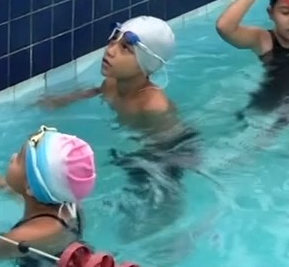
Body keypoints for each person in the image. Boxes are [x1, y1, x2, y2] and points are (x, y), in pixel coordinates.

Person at [33, 17, 201, 214]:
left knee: (152, 202)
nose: (110, 51)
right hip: (140, 144)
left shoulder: (152, 106)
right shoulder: (111, 83)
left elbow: (169, 151)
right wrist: (62, 100)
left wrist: (137, 162)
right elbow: (97, 91)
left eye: (125, 49)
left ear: (145, 64)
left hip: (171, 151)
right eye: (113, 41)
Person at [0, 127, 97, 267]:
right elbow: (11, 188)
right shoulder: (68, 204)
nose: (12, 157)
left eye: (19, 159)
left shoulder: (21, 238)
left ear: (30, 187)